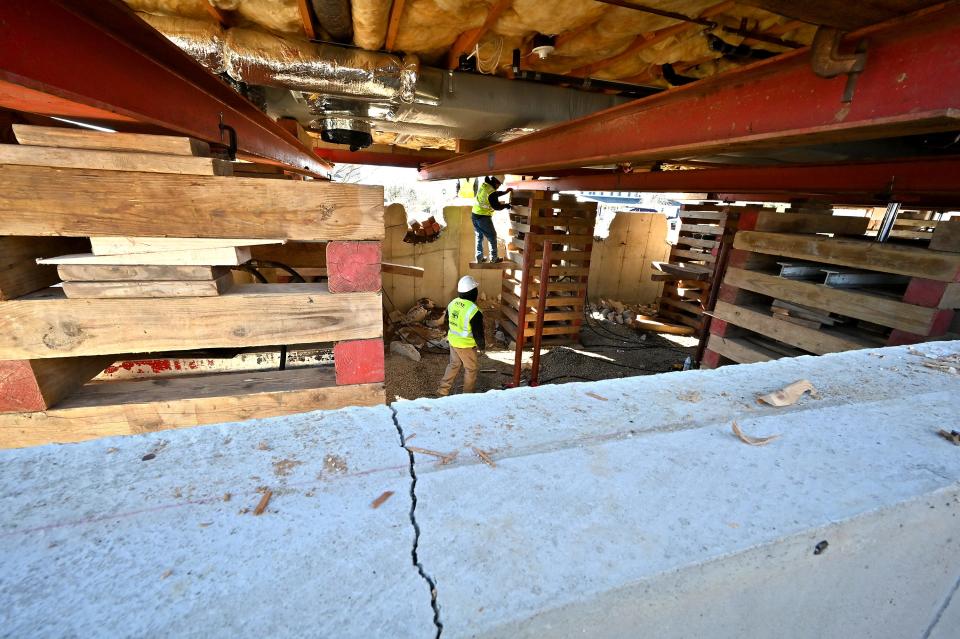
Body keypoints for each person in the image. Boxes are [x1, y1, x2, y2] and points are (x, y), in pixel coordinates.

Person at [437, 275, 486, 396]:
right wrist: (482, 346)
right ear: (473, 292)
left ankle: (442, 390)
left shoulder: (452, 303)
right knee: (471, 369)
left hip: (453, 341)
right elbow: (478, 333)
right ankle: (467, 395)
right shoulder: (474, 311)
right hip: (466, 345)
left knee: (454, 364)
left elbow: (448, 322)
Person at [472, 175, 513, 263]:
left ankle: (479, 258)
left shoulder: (485, 185)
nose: (499, 186)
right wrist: (507, 205)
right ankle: (494, 258)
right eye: (499, 185)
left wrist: (505, 192)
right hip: (483, 217)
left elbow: (494, 194)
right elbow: (496, 206)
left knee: (479, 236)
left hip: (475, 215)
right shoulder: (491, 191)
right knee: (492, 236)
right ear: (496, 182)